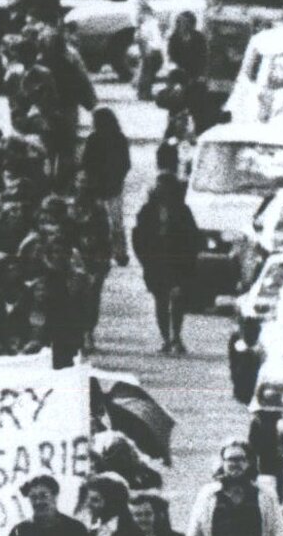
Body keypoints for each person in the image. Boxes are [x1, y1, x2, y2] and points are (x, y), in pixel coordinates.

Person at [130, 149, 201, 352]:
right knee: (161, 300)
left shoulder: (182, 211)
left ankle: (176, 335)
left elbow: (192, 237)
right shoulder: (147, 211)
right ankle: (165, 338)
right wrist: (144, 258)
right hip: (156, 262)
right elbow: (138, 236)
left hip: (178, 262)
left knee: (177, 300)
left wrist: (189, 261)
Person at [77, 106, 133, 265]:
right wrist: (118, 178)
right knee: (117, 223)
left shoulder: (93, 138)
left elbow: (85, 163)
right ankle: (120, 253)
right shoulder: (119, 138)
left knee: (98, 220)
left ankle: (100, 251)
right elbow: (126, 163)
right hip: (114, 186)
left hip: (96, 187)